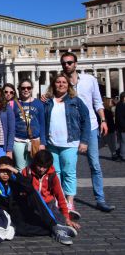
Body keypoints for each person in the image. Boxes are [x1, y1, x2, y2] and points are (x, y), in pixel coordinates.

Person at [59, 51, 114, 212]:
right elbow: (52, 98)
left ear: (76, 64)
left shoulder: (90, 80)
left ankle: (100, 199)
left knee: (95, 164)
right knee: (68, 166)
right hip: (69, 128)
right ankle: (66, 200)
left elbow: (98, 101)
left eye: (70, 62)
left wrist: (103, 120)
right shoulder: (60, 82)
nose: (67, 65)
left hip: (90, 126)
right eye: (64, 63)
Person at [0, 156, 77, 245]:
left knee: (32, 194)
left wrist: (15, 172)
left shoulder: (13, 181)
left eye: (8, 170)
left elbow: (29, 187)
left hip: (15, 214)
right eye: (2, 171)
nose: (6, 173)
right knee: (24, 230)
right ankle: (53, 230)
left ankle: (55, 227)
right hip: (1, 216)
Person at [44, 72, 90, 219]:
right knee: (55, 173)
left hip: (70, 142)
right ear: (53, 84)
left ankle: (70, 202)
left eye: (64, 82)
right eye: (58, 82)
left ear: (68, 85)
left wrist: (84, 141)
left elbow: (86, 120)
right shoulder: (48, 102)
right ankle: (59, 199)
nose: (61, 84)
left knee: (69, 172)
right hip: (52, 143)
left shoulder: (75, 101)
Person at [22, 150, 80, 230]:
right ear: (35, 163)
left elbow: (60, 196)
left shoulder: (52, 175)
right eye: (39, 166)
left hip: (48, 203)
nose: (41, 169)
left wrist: (66, 218)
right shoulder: (26, 172)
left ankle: (65, 222)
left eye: (44, 167)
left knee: (57, 221)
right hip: (33, 203)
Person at [12, 78, 46, 171]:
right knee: (20, 168)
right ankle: (22, 185)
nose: (26, 90)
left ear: (31, 89)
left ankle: (33, 185)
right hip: (18, 140)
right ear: (18, 89)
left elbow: (42, 124)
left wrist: (43, 143)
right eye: (23, 88)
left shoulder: (38, 103)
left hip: (35, 141)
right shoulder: (13, 104)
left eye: (28, 87)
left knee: (35, 168)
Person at [114, 91, 125, 161]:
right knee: (123, 142)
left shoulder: (121, 105)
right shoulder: (120, 105)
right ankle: (122, 155)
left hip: (121, 126)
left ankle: (119, 153)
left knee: (122, 142)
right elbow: (120, 117)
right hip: (122, 127)